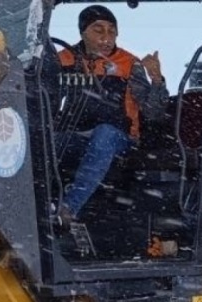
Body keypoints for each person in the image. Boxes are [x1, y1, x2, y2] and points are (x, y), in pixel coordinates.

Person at [55, 5, 169, 226]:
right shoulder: (63, 60)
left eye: (112, 31)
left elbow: (153, 112)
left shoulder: (129, 64)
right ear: (82, 32)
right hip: (75, 136)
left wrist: (156, 80)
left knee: (104, 134)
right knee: (39, 139)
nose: (106, 37)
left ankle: (68, 209)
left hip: (119, 138)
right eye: (98, 30)